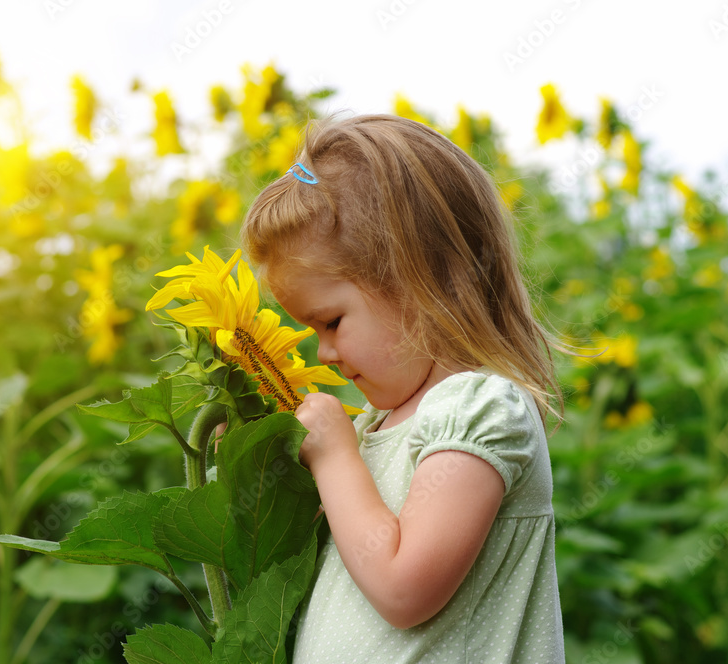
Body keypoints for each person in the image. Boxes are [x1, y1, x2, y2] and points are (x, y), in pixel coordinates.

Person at [240, 114, 566, 663]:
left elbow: (402, 587)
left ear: (419, 280)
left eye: (332, 322)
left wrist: (334, 454)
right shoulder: (373, 426)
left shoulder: (480, 407)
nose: (324, 353)